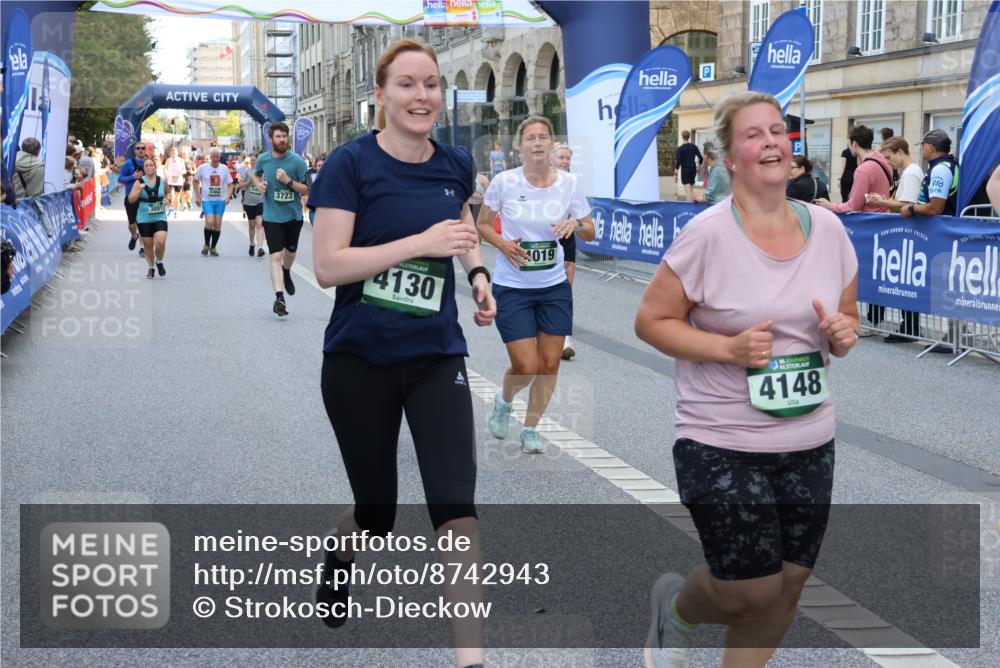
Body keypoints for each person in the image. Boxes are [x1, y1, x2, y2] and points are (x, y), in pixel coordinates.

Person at [634, 91, 859, 668]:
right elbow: (651, 321)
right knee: (750, 590)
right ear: (729, 157)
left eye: (778, 131)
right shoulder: (708, 234)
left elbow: (848, 319)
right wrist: (727, 349)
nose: (771, 143)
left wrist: (842, 332)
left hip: (810, 441)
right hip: (720, 439)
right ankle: (677, 609)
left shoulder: (829, 231)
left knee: (788, 584)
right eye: (754, 134)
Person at [308, 38, 495, 668]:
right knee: (378, 511)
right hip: (360, 360)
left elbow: (462, 230)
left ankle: (471, 660)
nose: (423, 97)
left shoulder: (455, 163)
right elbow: (330, 265)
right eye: (408, 85)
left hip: (438, 353)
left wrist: (476, 275)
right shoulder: (349, 164)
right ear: (381, 95)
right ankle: (341, 550)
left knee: (456, 509)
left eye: (432, 84)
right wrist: (419, 242)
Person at [476, 116, 596, 454]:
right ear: (520, 145)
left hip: (554, 286)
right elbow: (482, 225)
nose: (538, 143)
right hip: (512, 286)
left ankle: (530, 428)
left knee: (550, 364)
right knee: (526, 365)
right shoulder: (504, 182)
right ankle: (504, 401)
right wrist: (502, 244)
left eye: (544, 137)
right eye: (531, 138)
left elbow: (591, 230)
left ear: (551, 143)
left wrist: (575, 222)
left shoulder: (569, 184)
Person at [860, 136, 925, 338]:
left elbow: (907, 203)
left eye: (889, 157)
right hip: (901, 232)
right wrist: (886, 201)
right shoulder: (908, 172)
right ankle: (905, 325)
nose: (889, 162)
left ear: (900, 152)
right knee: (898, 280)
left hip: (906, 233)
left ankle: (909, 326)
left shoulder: (912, 173)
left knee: (904, 281)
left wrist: (883, 201)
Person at [252, 122, 309, 316]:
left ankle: (286, 271)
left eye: (285, 136)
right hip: (272, 216)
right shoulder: (263, 159)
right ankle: (279, 298)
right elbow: (255, 174)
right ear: (271, 139)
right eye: (278, 136)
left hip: (293, 216)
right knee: (276, 255)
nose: (282, 139)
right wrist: (259, 185)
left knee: (290, 252)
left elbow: (308, 188)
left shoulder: (297, 162)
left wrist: (289, 181)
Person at [815, 125, 891, 213]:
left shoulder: (863, 170)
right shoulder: (883, 160)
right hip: (885, 217)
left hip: (869, 221)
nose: (848, 146)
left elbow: (853, 206)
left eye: (848, 143)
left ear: (854, 144)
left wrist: (830, 205)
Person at [549, 143, 580, 360]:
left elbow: (584, 218)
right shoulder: (541, 181)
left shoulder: (573, 183)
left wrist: (574, 221)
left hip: (566, 238)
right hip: (544, 241)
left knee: (565, 292)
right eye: (561, 157)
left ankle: (565, 340)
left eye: (568, 158)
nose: (565, 161)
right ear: (552, 159)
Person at [127, 157, 169, 279]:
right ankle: (151, 267)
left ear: (155, 167)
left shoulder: (161, 180)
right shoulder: (139, 182)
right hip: (144, 217)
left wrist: (168, 199)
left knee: (160, 241)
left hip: (160, 215)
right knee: (148, 245)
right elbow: (131, 199)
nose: (149, 167)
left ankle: (159, 262)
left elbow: (168, 192)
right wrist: (139, 189)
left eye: (151, 165)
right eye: (146, 165)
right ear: (144, 169)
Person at [193, 148, 233, 256]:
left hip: (220, 200)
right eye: (213, 157)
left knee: (217, 224)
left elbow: (230, 184)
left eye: (217, 157)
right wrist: (197, 196)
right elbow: (195, 181)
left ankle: (213, 247)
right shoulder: (203, 168)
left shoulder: (224, 168)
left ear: (220, 157)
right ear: (210, 157)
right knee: (209, 222)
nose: (215, 159)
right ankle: (206, 244)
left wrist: (228, 196)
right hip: (207, 200)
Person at [118, 144, 148, 254]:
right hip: (131, 198)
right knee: (132, 225)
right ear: (135, 151)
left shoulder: (149, 163)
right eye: (138, 148)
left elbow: (154, 178)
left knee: (142, 223)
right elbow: (120, 178)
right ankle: (134, 236)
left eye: (142, 148)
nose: (140, 150)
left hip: (145, 198)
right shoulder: (129, 163)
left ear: (145, 150)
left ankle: (142, 247)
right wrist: (133, 177)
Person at [238, 156, 266, 256]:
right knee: (252, 225)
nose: (254, 162)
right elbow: (240, 185)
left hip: (260, 201)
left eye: (256, 160)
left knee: (260, 223)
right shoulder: (247, 172)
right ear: (250, 162)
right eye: (252, 160)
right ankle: (252, 244)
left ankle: (260, 247)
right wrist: (249, 182)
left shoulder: (264, 173)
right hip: (249, 202)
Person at [675, 130, 703, 202]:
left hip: (685, 171)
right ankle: (692, 206)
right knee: (691, 190)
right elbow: (701, 158)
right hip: (693, 170)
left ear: (682, 137)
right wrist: (699, 168)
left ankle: (689, 209)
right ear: (689, 137)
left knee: (688, 192)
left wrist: (675, 174)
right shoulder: (694, 147)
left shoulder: (680, 149)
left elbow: (678, 162)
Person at [164, 147, 185, 217]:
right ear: (170, 153)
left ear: (177, 153)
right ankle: (171, 209)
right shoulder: (168, 160)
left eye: (175, 153)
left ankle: (176, 210)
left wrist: (181, 172)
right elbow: (165, 168)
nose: (173, 154)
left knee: (177, 197)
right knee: (171, 195)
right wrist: (166, 175)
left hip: (179, 181)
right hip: (171, 180)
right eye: (172, 153)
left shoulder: (181, 160)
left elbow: (184, 170)